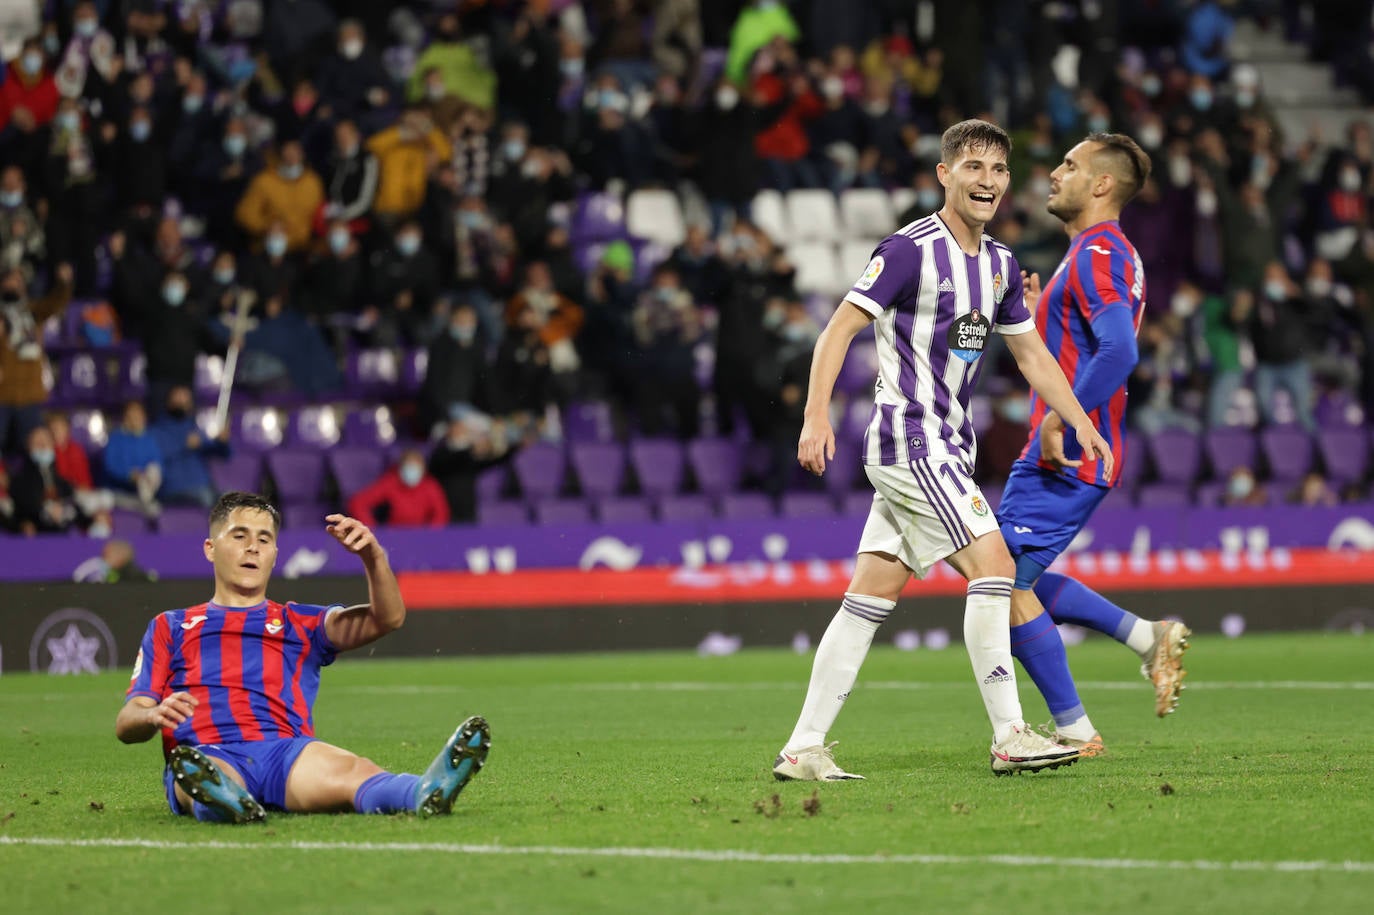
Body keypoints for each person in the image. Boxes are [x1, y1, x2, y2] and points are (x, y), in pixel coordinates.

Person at [773, 120, 1114, 781]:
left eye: (998, 170)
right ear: (944, 175)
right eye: (973, 167)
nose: (986, 180)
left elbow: (1031, 355)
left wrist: (1079, 418)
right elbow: (837, 331)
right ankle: (1011, 734)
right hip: (911, 440)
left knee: (869, 596)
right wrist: (816, 415)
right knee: (994, 565)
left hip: (946, 447)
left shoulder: (1001, 265)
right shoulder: (907, 251)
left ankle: (802, 746)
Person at [116, 492, 490, 823]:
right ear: (211, 548)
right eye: (240, 536)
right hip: (209, 750)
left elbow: (388, 618)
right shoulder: (171, 626)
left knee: (353, 770)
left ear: (275, 554)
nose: (253, 548)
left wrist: (373, 557)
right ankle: (222, 799)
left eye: (264, 539)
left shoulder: (298, 622)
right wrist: (151, 715)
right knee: (203, 774)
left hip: (286, 754)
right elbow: (127, 721)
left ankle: (424, 791)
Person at [996, 134, 1192, 759]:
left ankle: (1077, 729)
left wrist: (1064, 418)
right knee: (1004, 580)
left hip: (1070, 449)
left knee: (997, 585)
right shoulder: (1093, 252)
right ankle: (1144, 640)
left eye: (1070, 166)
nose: (1054, 173)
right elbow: (1086, 345)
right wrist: (1036, 317)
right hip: (1071, 444)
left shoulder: (1098, 252)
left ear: (1102, 185)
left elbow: (1121, 351)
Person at [347, 450, 451, 528]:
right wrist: (371, 529)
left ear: (423, 469)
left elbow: (441, 513)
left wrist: (430, 534)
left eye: (416, 467)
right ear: (401, 467)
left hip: (422, 537)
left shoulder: (430, 485)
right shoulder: (391, 482)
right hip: (395, 535)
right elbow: (358, 503)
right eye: (408, 466)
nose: (412, 470)